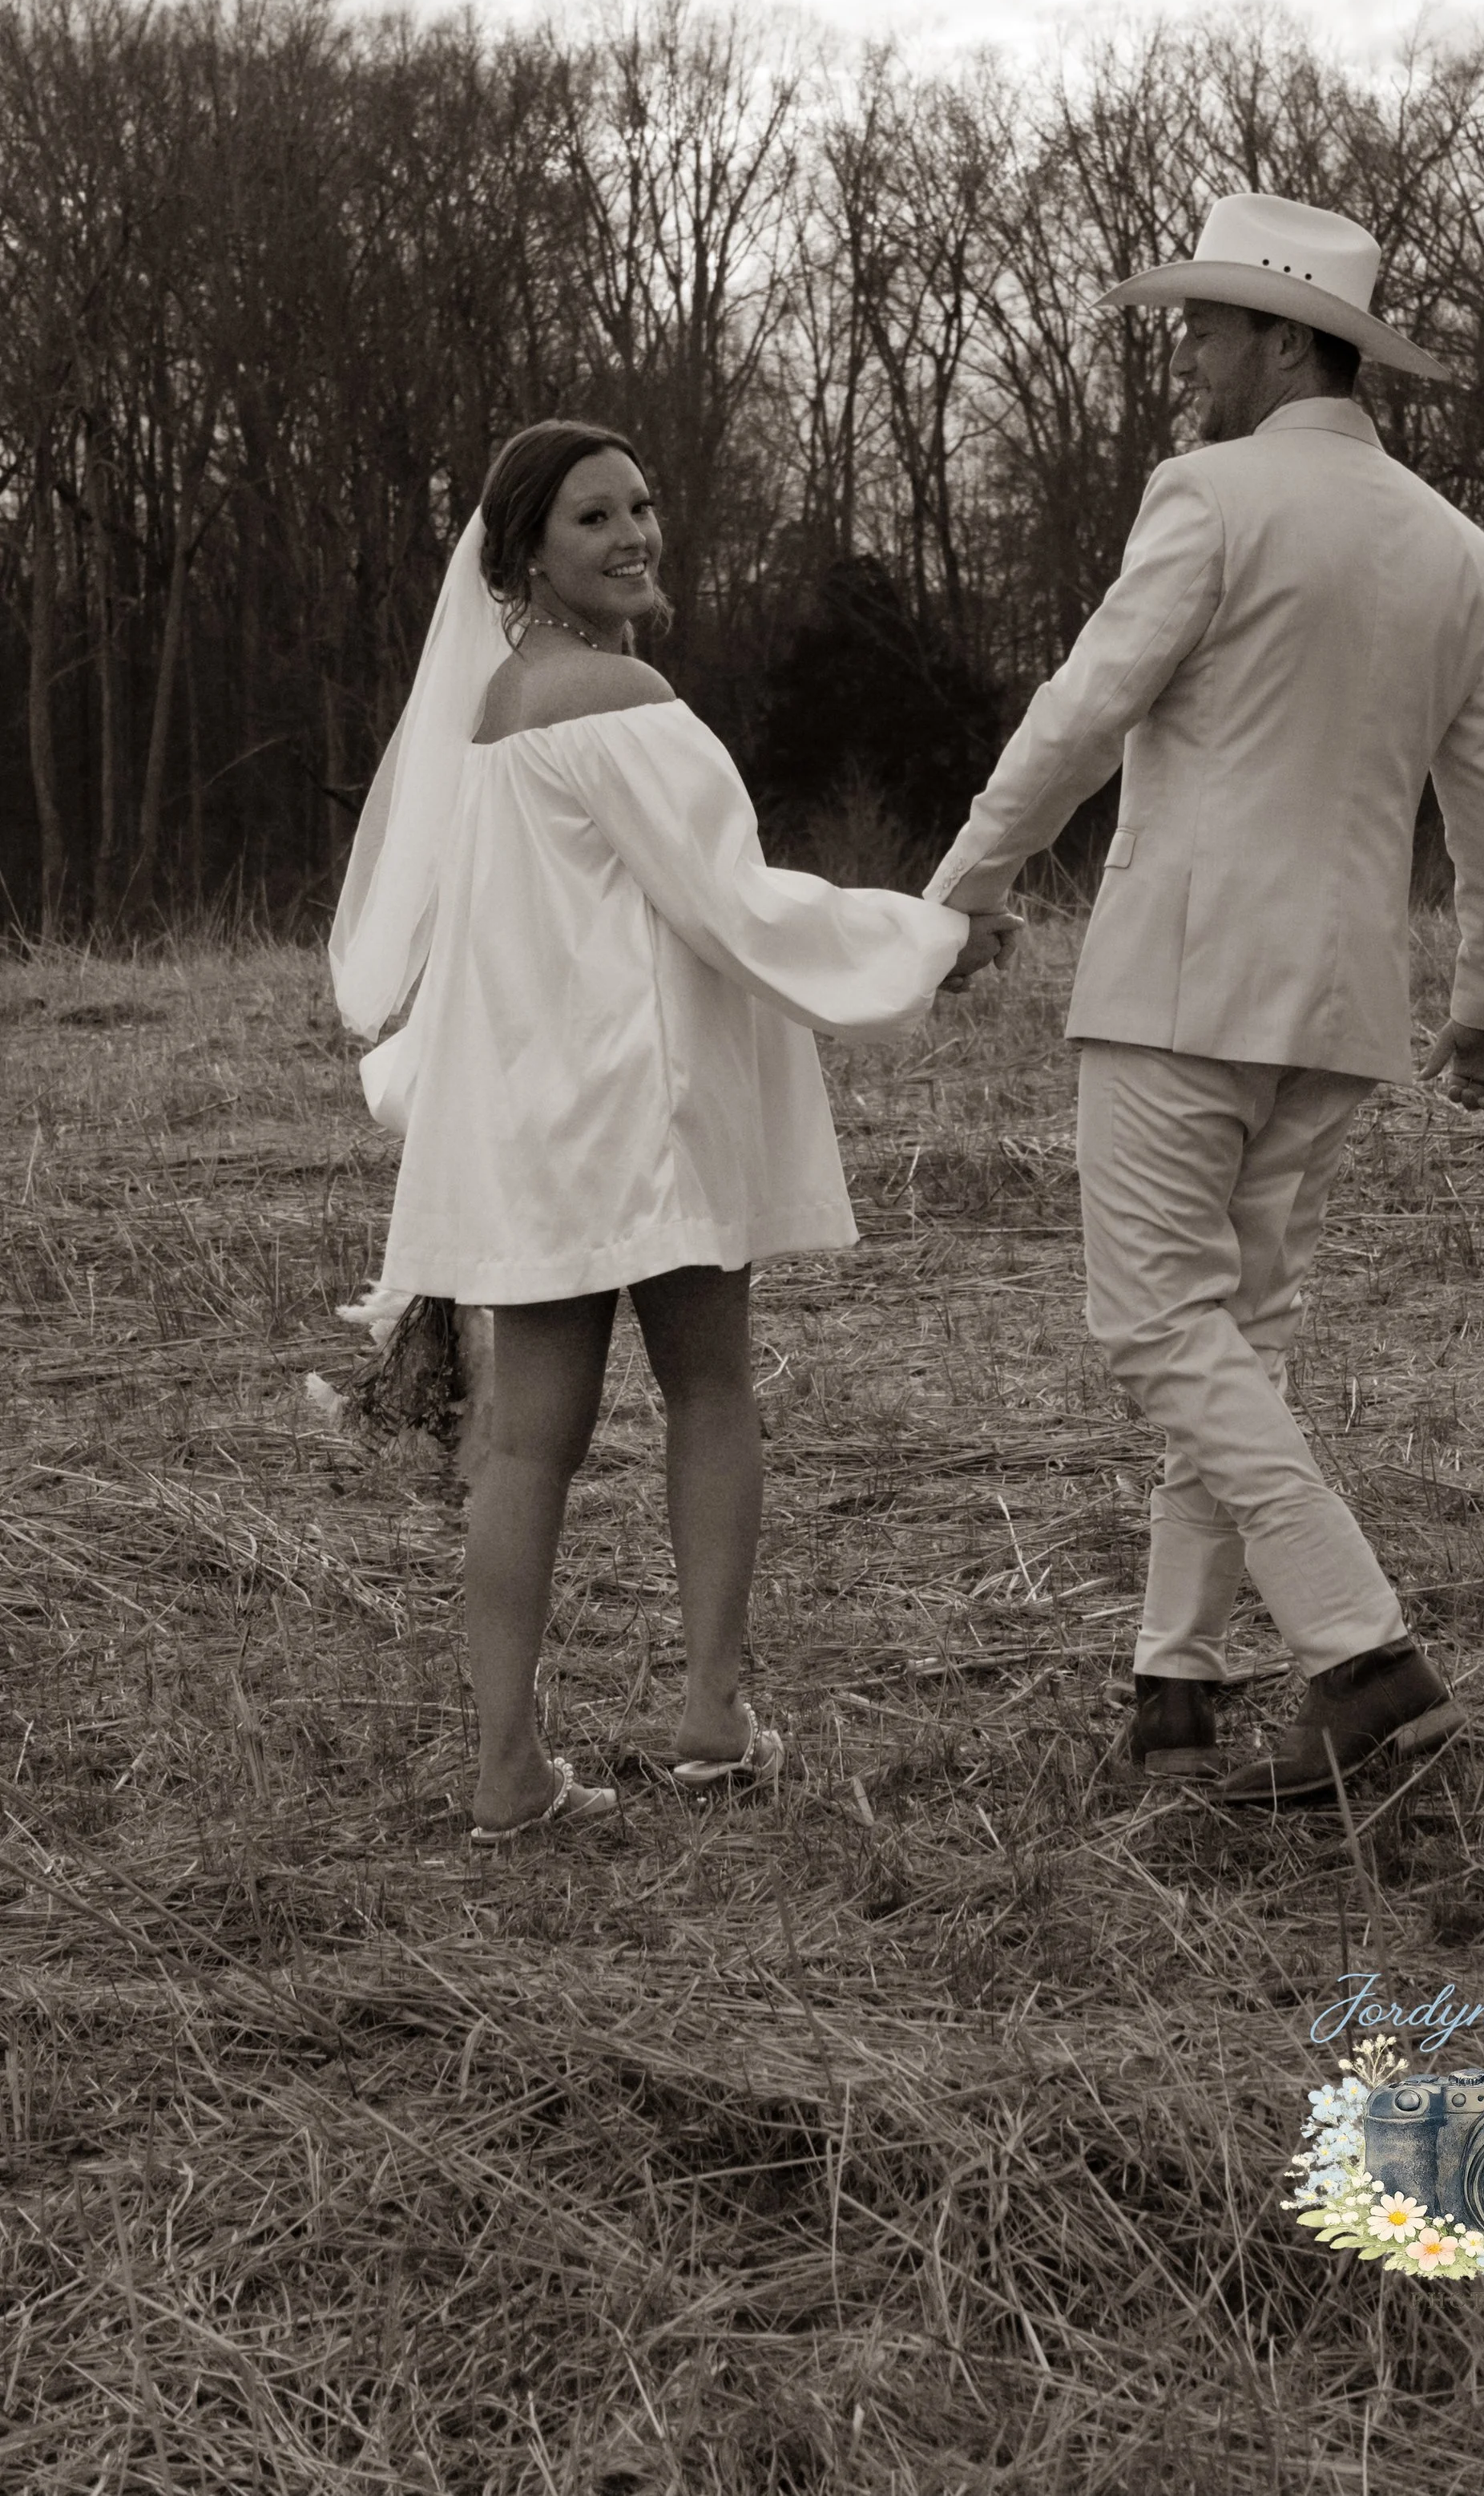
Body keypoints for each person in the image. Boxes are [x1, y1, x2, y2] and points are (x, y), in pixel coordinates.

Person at [925, 194, 1484, 1806]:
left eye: (1205, 325)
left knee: (1152, 1321)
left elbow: (1081, 710)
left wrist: (972, 883)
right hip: (1340, 1002)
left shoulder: (1205, 496)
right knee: (1232, 1338)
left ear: (1280, 340)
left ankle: (1362, 1656)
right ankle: (1174, 1690)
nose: (1187, 355)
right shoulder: (1450, 544)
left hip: (1180, 987)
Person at [329, 420, 1012, 1842]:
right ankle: (711, 1713)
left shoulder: (502, 706)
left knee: (532, 1443)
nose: (635, 534)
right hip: (643, 1105)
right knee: (708, 1391)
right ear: (527, 554)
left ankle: (510, 1768)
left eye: (643, 505)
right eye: (594, 518)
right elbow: (736, 904)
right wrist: (933, 937)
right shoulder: (618, 697)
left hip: (539, 1118)